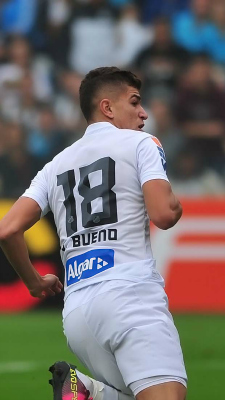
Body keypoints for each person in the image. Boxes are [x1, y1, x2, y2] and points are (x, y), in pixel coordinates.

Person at [0, 67, 186, 400]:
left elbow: (7, 230)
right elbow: (164, 214)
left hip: (77, 314)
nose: (144, 113)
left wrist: (33, 282)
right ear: (107, 107)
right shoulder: (142, 143)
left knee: (135, 394)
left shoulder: (55, 164)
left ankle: (89, 392)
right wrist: (176, 204)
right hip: (130, 295)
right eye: (134, 102)